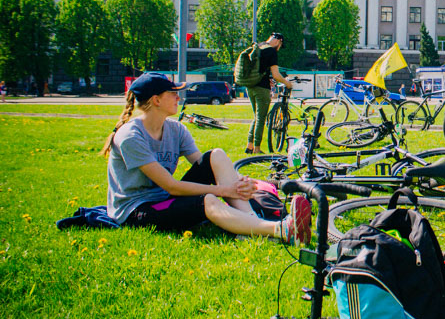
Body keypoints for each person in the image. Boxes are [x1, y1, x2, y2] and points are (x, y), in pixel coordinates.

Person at [100, 73, 311, 244]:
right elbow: (171, 186)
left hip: (164, 198)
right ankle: (280, 229)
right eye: (172, 93)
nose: (178, 97)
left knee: (216, 155)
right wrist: (223, 190)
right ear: (156, 100)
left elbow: (206, 165)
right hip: (138, 210)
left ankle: (250, 225)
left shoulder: (176, 129)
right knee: (208, 200)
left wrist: (239, 182)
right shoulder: (130, 136)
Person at [245, 33, 293, 155]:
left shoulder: (259, 46)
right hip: (262, 88)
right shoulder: (271, 52)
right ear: (279, 41)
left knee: (256, 117)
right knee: (261, 118)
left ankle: (249, 146)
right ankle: (256, 148)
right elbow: (276, 75)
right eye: (281, 45)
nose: (279, 48)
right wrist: (287, 83)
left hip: (250, 86)